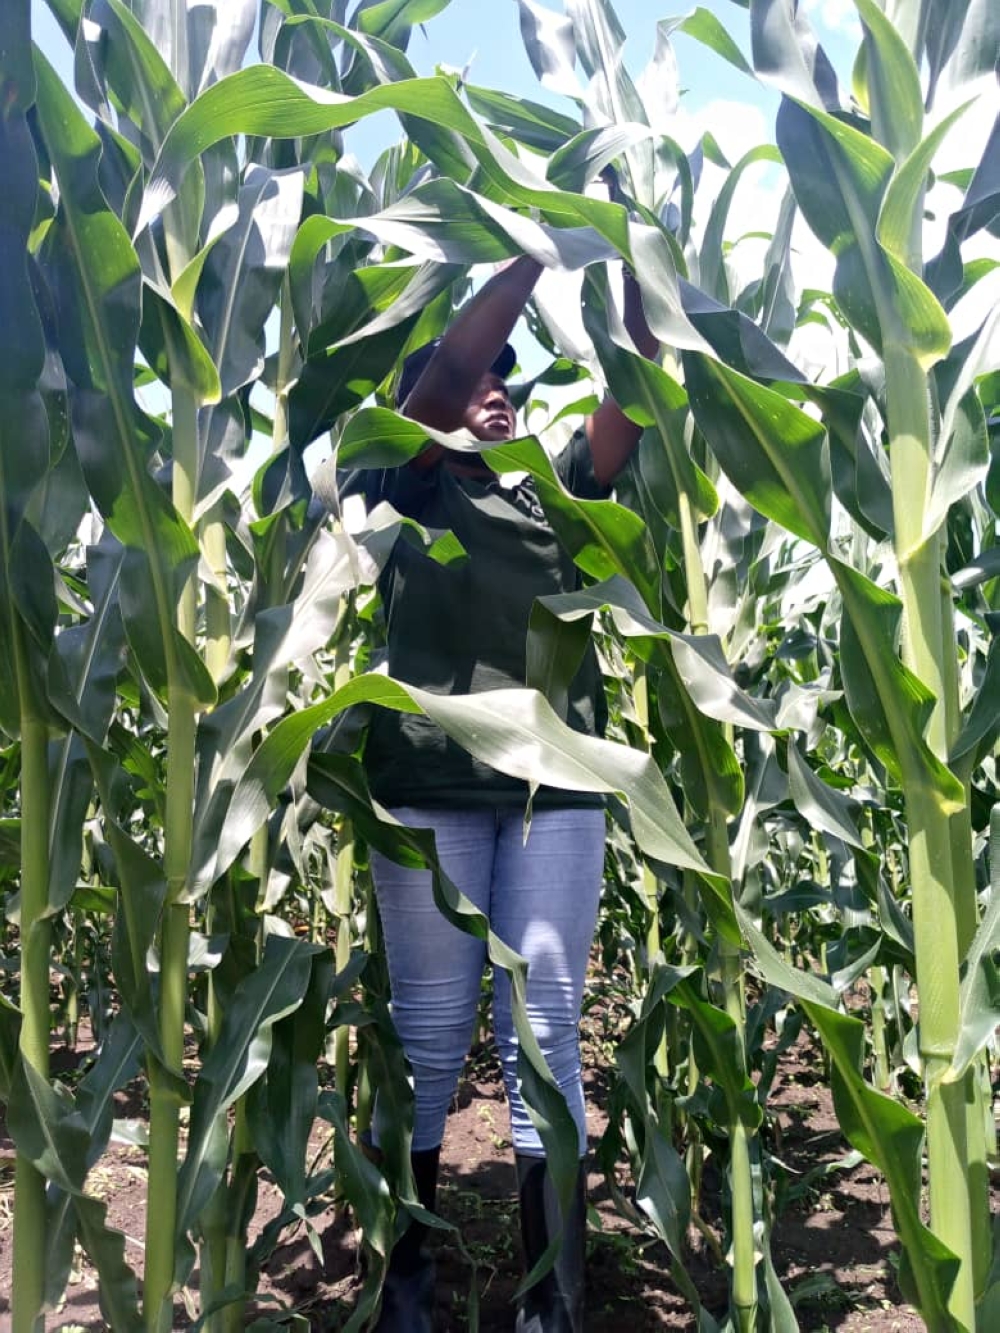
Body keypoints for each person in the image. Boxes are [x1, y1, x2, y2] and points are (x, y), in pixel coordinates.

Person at [344, 251, 657, 1333]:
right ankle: (406, 1295)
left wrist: (626, 253)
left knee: (547, 1030)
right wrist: (530, 245)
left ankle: (550, 1305)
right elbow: (436, 390)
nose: (495, 387)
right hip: (427, 787)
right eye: (480, 377)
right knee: (430, 1036)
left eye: (508, 382)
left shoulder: (562, 493)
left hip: (555, 789)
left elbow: (632, 394)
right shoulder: (404, 477)